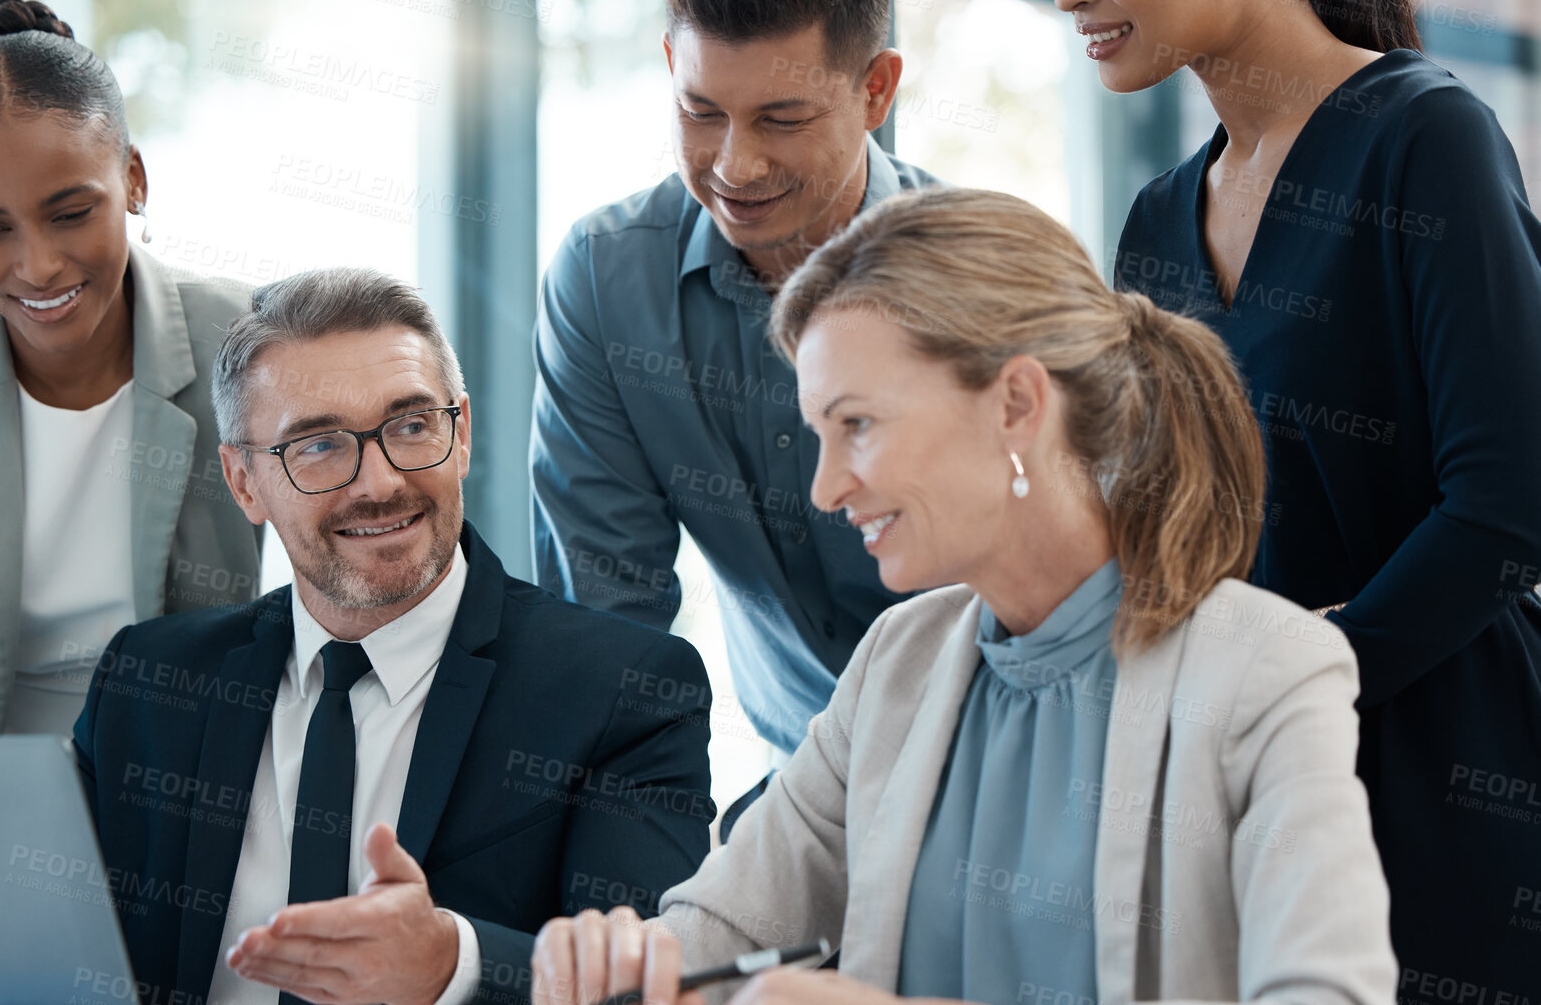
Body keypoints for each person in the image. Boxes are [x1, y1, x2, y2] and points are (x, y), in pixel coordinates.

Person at [529, 189, 1398, 1005]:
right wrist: (634, 961)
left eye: (858, 425)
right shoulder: (898, 661)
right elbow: (724, 929)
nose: (826, 488)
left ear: (1017, 403)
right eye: (819, 437)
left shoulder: (1268, 671)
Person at [1038, 0, 1541, 985]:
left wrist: (1291, 696)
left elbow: (1508, 503)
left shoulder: (1425, 138)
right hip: (1245, 811)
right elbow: (1155, 539)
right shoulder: (1155, 224)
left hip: (1452, 785)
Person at [74, 267, 715, 1005]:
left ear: (461, 433)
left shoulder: (626, 692)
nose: (379, 483)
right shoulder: (147, 685)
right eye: (318, 445)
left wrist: (455, 964)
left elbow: (642, 988)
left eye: (412, 427)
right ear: (243, 481)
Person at [531, 0, 939, 809]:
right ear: (670, 60)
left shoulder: (987, 281)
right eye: (701, 110)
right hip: (796, 787)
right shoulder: (604, 283)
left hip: (1000, 763)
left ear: (875, 89)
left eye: (783, 120)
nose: (733, 166)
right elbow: (606, 635)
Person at [0, 0, 260, 738]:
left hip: (177, 783)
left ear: (134, 180)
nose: (36, 267)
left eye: (71, 213)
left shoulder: (242, 342)